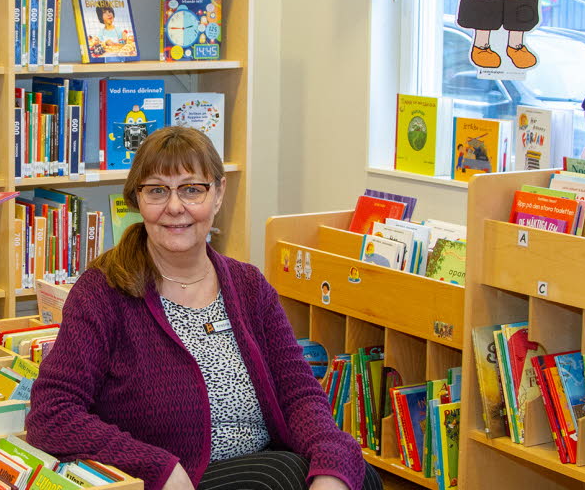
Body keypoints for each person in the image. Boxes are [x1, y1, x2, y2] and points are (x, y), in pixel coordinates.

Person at [26, 127, 378, 490]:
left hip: (262, 464)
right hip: (178, 480)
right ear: (137, 199)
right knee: (279, 478)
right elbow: (52, 413)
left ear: (219, 193)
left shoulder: (249, 286)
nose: (175, 207)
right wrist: (156, 467)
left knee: (355, 475)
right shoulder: (102, 291)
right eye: (157, 190)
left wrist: (331, 463)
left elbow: (300, 396)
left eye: (192, 189)